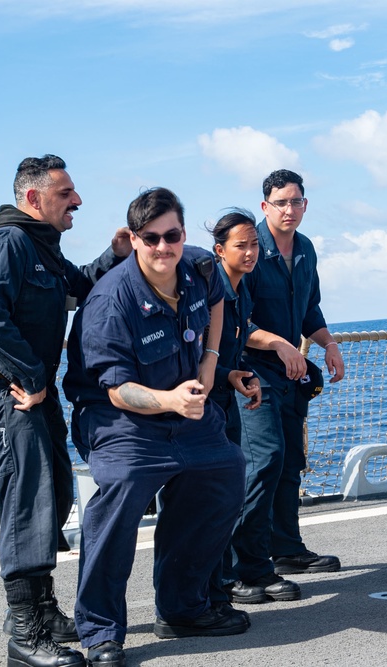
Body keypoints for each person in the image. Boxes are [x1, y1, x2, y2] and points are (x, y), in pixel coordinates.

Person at [0, 154, 128, 667]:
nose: (77, 201)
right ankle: (25, 636)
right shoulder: (9, 244)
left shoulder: (40, 248)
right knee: (28, 505)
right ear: (33, 198)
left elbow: (77, 288)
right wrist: (31, 379)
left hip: (33, 393)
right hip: (6, 395)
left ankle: (43, 610)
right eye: (66, 193)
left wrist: (114, 255)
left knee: (54, 492)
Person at [63, 187, 249, 667]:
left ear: (184, 234)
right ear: (134, 238)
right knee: (121, 493)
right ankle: (101, 632)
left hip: (187, 411)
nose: (164, 247)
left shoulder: (200, 266)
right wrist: (167, 399)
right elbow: (116, 390)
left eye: (173, 236)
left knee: (225, 471)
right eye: (151, 238)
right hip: (121, 421)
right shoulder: (109, 302)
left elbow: (217, 301)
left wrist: (210, 363)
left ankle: (183, 608)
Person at [229, 169, 345, 605]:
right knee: (263, 461)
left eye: (296, 201)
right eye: (280, 202)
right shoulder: (249, 250)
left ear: (305, 205)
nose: (289, 209)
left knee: (290, 461)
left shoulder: (306, 248)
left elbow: (309, 307)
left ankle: (287, 550)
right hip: (252, 373)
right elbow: (238, 321)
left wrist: (328, 344)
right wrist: (280, 345)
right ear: (265, 206)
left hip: (291, 374)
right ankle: (249, 566)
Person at [203, 209, 263, 605]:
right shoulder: (213, 289)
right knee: (213, 494)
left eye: (255, 244)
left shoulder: (242, 290)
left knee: (228, 490)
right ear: (220, 250)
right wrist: (226, 375)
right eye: (241, 246)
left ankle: (223, 577)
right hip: (206, 401)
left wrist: (244, 374)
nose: (250, 252)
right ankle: (217, 580)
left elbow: (235, 344)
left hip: (226, 395)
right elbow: (201, 350)